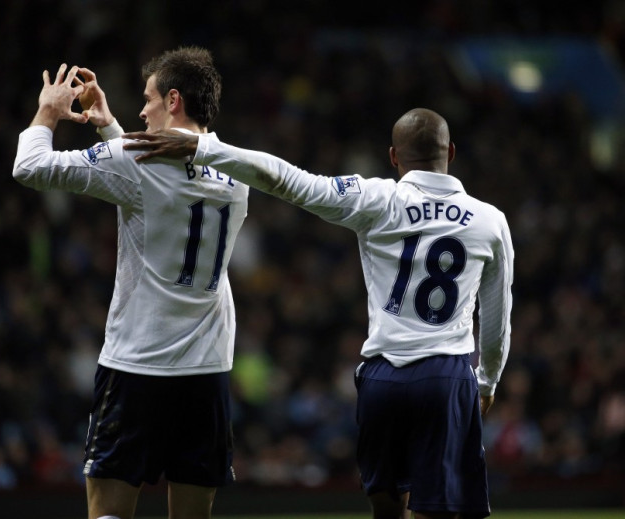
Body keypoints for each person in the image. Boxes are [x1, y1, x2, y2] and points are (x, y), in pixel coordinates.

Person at [122, 108, 514, 519]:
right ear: (451, 152)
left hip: (384, 378)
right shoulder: (491, 221)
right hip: (445, 376)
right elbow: (497, 317)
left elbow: (286, 178)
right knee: (439, 510)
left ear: (394, 157)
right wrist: (487, 381)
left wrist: (205, 148)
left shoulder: (375, 198)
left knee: (386, 508)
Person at [12, 46, 248, 519]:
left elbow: (30, 168)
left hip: (137, 367)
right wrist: (108, 125)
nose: (142, 110)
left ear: (174, 100)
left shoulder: (134, 162)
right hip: (207, 371)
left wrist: (47, 112)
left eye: (149, 99)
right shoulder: (235, 168)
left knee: (108, 513)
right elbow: (160, 196)